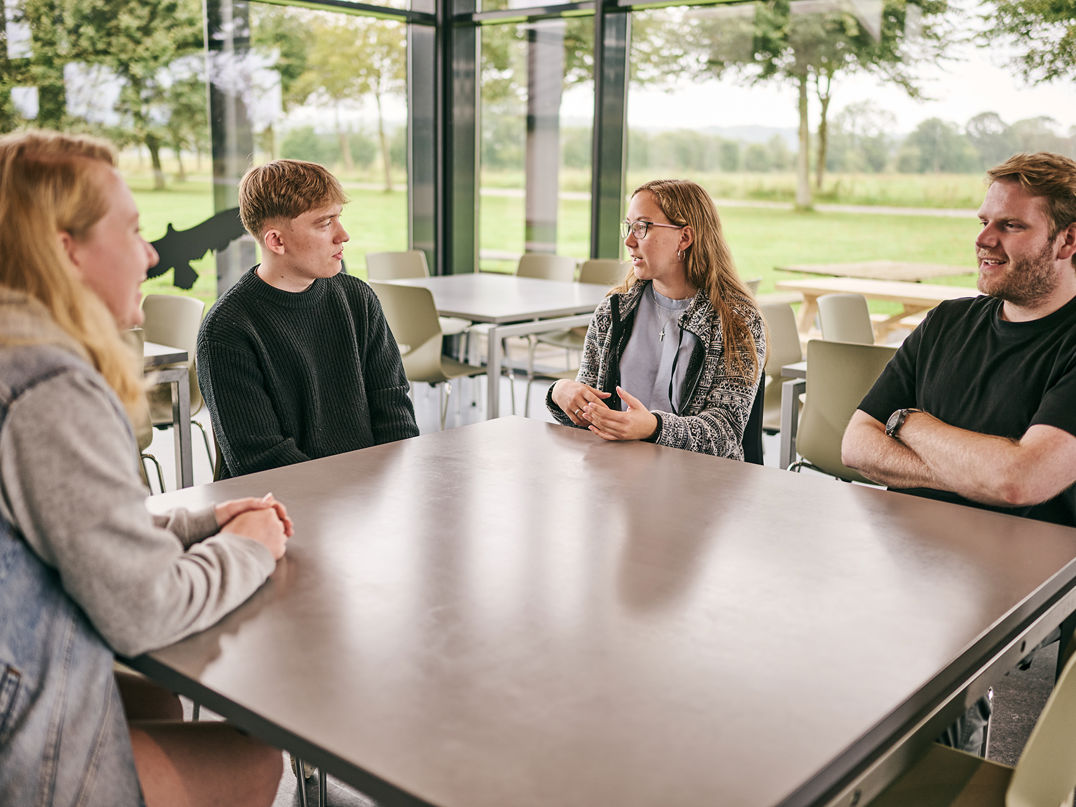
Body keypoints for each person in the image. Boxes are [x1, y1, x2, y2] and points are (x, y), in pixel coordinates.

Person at [0, 130, 292, 806]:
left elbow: (63, 532)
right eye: (131, 229)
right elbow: (144, 610)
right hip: (25, 757)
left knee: (158, 691)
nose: (152, 251)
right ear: (63, 250)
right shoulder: (48, 387)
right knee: (254, 758)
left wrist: (198, 523)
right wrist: (248, 546)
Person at [841, 151, 1076, 753]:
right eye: (983, 221)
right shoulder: (947, 321)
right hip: (907, 552)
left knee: (909, 711)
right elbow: (855, 444)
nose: (984, 240)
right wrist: (975, 470)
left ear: (1068, 241)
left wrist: (907, 420)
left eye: (1011, 226)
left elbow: (1021, 482)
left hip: (1018, 573)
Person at [197, 159, 418, 478]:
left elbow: (394, 411)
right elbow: (262, 459)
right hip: (285, 508)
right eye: (325, 223)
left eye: (338, 218)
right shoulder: (227, 329)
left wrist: (386, 489)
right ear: (276, 241)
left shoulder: (358, 298)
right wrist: (352, 493)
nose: (343, 235)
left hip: (369, 495)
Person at [547, 178, 766, 457]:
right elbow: (586, 419)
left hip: (697, 484)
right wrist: (561, 392)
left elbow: (724, 435)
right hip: (614, 473)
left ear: (684, 237)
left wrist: (653, 428)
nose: (628, 241)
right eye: (628, 227)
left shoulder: (737, 320)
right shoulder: (614, 310)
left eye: (642, 227)